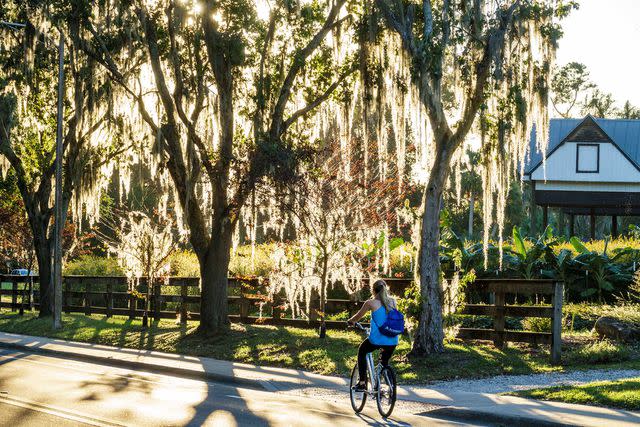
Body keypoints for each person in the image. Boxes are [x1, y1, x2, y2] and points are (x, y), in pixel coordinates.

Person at [347, 279, 398, 391]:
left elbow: (357, 317)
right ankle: (390, 386)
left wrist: (351, 321)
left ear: (373, 290)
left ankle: (362, 383)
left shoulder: (370, 303)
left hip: (377, 340)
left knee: (362, 351)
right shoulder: (393, 301)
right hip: (393, 340)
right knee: (384, 362)